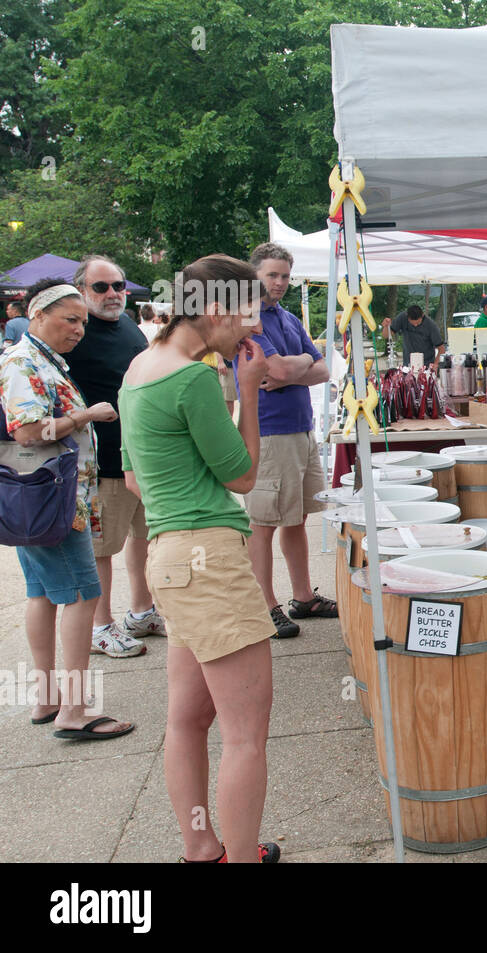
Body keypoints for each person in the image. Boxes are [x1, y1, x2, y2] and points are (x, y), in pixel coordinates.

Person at [119, 253, 279, 862]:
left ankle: (201, 844)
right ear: (213, 311)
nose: (254, 330)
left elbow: (134, 479)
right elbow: (240, 476)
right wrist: (247, 394)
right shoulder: (191, 378)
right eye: (247, 316)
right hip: (210, 559)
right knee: (245, 736)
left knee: (186, 721)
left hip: (169, 559)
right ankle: (242, 856)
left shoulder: (139, 368)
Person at [0, 278, 134, 739]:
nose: (79, 329)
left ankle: (48, 697)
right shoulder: (23, 362)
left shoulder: (39, 359)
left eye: (82, 321)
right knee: (82, 595)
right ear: (38, 315)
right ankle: (74, 711)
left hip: (42, 500)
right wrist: (87, 415)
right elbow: (28, 431)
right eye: (70, 319)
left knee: (41, 595)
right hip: (52, 500)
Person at [237, 242, 335, 638]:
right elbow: (273, 370)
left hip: (300, 428)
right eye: (271, 275)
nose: (279, 282)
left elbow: (324, 369)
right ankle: (265, 606)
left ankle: (302, 597)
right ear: (254, 274)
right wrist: (301, 366)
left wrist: (293, 370)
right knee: (263, 523)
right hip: (269, 432)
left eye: (284, 276)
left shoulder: (288, 318)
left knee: (297, 518)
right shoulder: (248, 318)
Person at [66, 255, 159, 657]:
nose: (113, 294)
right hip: (101, 463)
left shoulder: (126, 325)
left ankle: (141, 611)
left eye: (119, 286)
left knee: (144, 537)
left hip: (140, 456)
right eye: (101, 287)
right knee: (101, 549)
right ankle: (100, 626)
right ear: (82, 291)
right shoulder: (75, 332)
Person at [381, 303, 445, 366]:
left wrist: (435, 365)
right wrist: (386, 326)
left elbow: (441, 349)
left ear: (422, 315)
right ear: (407, 317)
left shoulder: (431, 326)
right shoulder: (402, 318)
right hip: (408, 364)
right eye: (412, 323)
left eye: (418, 323)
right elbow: (386, 335)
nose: (415, 325)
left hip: (426, 365)